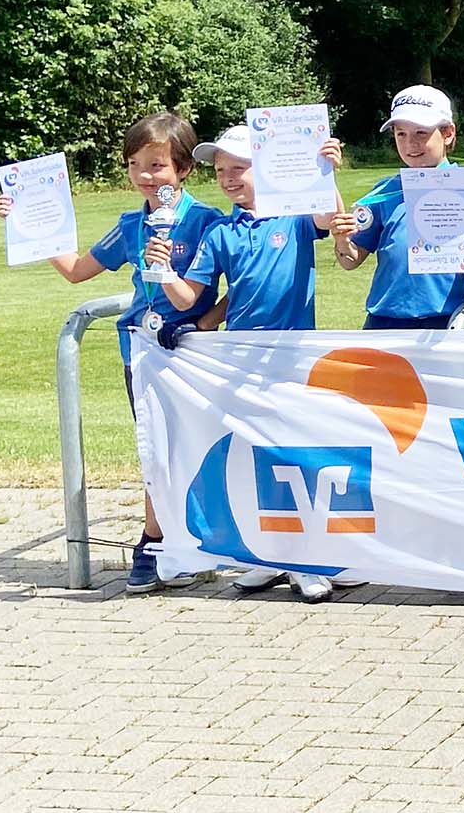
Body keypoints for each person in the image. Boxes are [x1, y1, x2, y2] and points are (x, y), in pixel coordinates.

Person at [0, 111, 224, 593]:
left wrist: (204, 319)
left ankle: (194, 541)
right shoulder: (130, 225)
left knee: (196, 448)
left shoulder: (207, 221)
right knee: (154, 449)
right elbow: (77, 270)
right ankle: (155, 542)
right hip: (141, 352)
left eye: (157, 165)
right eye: (135, 164)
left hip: (194, 352)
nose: (145, 176)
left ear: (184, 168)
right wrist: (26, 222)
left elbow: (238, 282)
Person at [147, 125, 359, 602]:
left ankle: (307, 558)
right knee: (256, 457)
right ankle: (268, 555)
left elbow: (328, 218)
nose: (228, 177)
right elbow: (189, 296)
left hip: (292, 358)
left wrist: (325, 172)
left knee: (294, 456)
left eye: (239, 168)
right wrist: (162, 269)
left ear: (266, 169)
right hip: (241, 360)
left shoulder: (294, 217)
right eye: (221, 170)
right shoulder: (221, 232)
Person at [337, 85, 464, 329]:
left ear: (448, 133)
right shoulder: (384, 192)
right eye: (401, 134)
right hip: (382, 321)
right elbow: (350, 260)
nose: (410, 144)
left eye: (421, 133)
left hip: (441, 321)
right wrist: (342, 239)